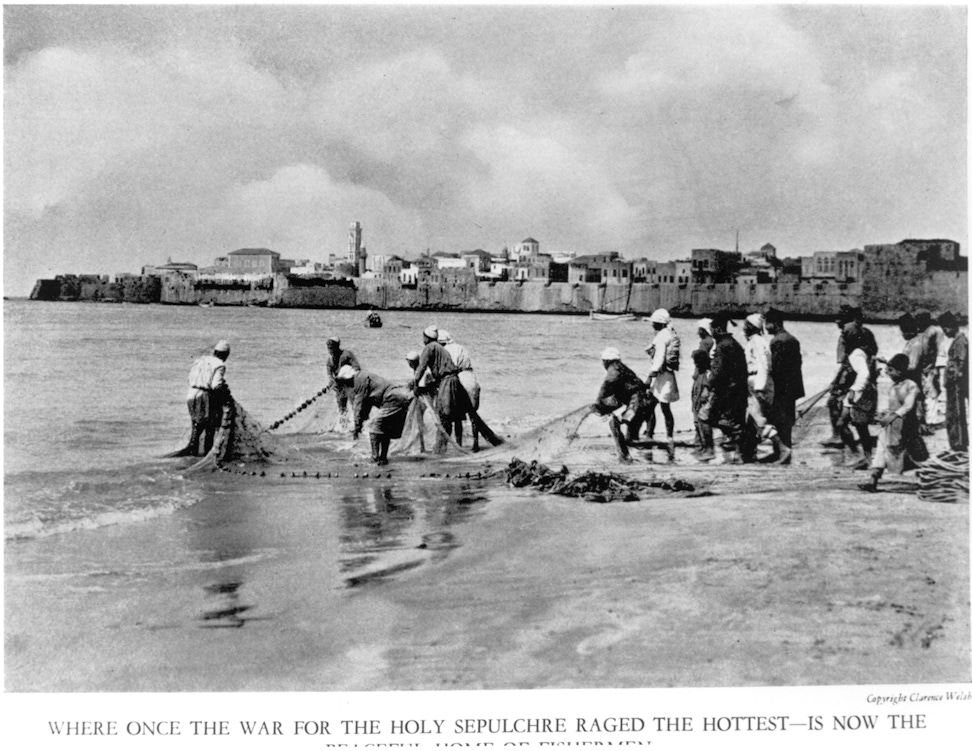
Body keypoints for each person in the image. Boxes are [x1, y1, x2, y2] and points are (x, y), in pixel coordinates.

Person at [858, 354, 928, 492]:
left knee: (913, 455)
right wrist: (884, 414)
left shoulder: (911, 385)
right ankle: (873, 481)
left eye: (890, 370)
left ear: (899, 371)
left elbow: (908, 406)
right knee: (881, 449)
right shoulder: (894, 386)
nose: (887, 373)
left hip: (906, 426)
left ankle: (928, 479)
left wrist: (894, 415)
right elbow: (893, 406)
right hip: (891, 425)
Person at [822, 305, 877, 448]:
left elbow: (847, 362)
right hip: (863, 376)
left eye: (839, 318)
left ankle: (839, 437)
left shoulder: (847, 334)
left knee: (834, 403)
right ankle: (851, 438)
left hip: (853, 377)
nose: (836, 321)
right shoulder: (866, 333)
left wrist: (837, 383)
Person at [336, 365, 413, 466]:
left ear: (348, 378)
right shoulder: (363, 377)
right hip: (399, 396)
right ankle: (382, 458)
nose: (345, 384)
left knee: (374, 427)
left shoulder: (359, 381)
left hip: (393, 397)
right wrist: (360, 421)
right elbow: (366, 405)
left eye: (344, 381)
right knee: (384, 429)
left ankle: (375, 458)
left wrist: (357, 426)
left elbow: (358, 406)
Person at [704, 313, 751, 464]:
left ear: (717, 329)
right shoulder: (732, 343)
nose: (710, 332)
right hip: (737, 389)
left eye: (712, 329)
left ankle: (710, 450)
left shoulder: (723, 346)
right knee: (733, 421)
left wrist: (708, 387)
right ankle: (739, 454)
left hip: (728, 391)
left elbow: (718, 371)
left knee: (705, 416)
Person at [590, 347, 648, 463]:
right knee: (624, 430)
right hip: (641, 404)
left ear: (606, 361)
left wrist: (599, 404)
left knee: (614, 423)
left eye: (603, 361)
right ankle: (625, 455)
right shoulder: (623, 369)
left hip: (637, 406)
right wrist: (606, 408)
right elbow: (621, 397)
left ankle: (624, 457)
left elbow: (606, 389)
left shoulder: (614, 370)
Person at [412, 325, 464, 450]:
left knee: (444, 415)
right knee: (449, 416)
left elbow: (421, 367)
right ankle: (444, 445)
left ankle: (441, 446)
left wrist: (415, 384)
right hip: (453, 381)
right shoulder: (440, 347)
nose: (422, 339)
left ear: (427, 338)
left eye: (423, 337)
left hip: (447, 382)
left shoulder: (429, 348)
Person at [764, 308, 804, 465]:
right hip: (792, 386)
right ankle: (781, 452)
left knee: (780, 420)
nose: (766, 327)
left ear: (774, 323)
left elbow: (776, 368)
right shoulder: (792, 339)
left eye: (767, 323)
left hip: (781, 387)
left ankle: (782, 452)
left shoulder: (777, 341)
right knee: (786, 419)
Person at [837, 321, 878, 468]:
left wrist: (854, 390)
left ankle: (861, 456)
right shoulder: (866, 350)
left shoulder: (856, 354)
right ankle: (864, 456)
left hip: (859, 393)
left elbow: (864, 373)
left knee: (846, 424)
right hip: (868, 392)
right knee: (860, 426)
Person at [643, 308, 680, 462]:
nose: (651, 325)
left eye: (653, 322)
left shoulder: (661, 337)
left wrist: (649, 377)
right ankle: (668, 437)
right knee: (663, 408)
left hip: (661, 376)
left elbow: (659, 358)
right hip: (666, 375)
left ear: (658, 323)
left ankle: (651, 435)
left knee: (655, 406)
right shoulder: (667, 334)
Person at [741, 313, 778, 462]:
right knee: (752, 419)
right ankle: (750, 452)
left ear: (751, 327)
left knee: (759, 419)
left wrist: (759, 387)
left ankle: (781, 447)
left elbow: (763, 364)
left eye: (745, 325)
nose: (743, 328)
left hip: (758, 382)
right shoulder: (757, 341)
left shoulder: (757, 342)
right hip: (755, 381)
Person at [185, 340, 231, 457]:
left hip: (191, 395)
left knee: (196, 427)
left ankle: (192, 455)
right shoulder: (220, 365)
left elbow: (190, 378)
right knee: (209, 429)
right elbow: (216, 386)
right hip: (203, 397)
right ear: (224, 355)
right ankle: (206, 455)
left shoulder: (200, 360)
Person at [438, 330, 482, 451]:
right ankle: (476, 444)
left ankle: (459, 445)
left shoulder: (446, 350)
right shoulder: (461, 347)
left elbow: (451, 368)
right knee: (473, 415)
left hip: (460, 379)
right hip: (471, 377)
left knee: (457, 417)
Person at [939, 312, 968, 451]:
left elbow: (960, 364)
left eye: (945, 328)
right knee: (952, 415)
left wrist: (955, 380)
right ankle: (956, 443)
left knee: (955, 415)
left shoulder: (960, 341)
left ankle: (959, 444)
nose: (945, 332)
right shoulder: (957, 341)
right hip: (952, 384)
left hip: (955, 385)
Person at [325, 336, 361, 419]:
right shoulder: (329, 361)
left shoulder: (346, 355)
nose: (330, 350)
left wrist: (347, 376)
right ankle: (344, 426)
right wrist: (331, 382)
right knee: (341, 408)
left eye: (332, 347)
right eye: (329, 348)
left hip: (352, 384)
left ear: (337, 347)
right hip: (340, 387)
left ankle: (357, 424)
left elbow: (357, 368)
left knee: (355, 405)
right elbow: (329, 374)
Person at [690, 348, 715, 461]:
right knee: (697, 423)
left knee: (703, 421)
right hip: (696, 399)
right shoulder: (700, 371)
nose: (695, 363)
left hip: (702, 399)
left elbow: (707, 386)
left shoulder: (707, 372)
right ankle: (701, 446)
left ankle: (707, 448)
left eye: (696, 361)